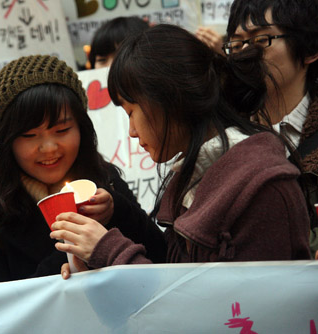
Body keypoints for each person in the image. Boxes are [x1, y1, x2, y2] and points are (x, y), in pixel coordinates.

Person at [50, 24, 311, 279]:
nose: (131, 131)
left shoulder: (262, 186)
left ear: (167, 99)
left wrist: (108, 250)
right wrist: (100, 260)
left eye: (131, 112)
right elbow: (174, 276)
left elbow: (220, 310)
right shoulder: (194, 175)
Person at [0, 55, 166, 284]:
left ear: (81, 128)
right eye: (29, 136)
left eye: (62, 130)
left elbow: (164, 259)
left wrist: (117, 210)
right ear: (8, 142)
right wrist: (66, 261)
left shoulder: (105, 183)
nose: (49, 148)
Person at [224, 0, 318, 254]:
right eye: (236, 43)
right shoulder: (219, 138)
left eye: (261, 40)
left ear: (310, 49)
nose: (245, 53)